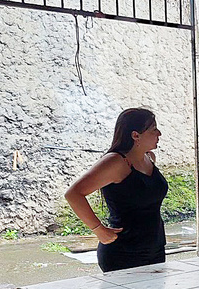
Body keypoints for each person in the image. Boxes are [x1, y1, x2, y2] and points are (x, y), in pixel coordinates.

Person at [65, 108, 167, 273]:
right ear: (136, 135)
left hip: (155, 246)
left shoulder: (149, 158)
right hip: (124, 251)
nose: (159, 133)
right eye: (153, 129)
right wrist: (98, 229)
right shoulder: (116, 162)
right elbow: (73, 194)